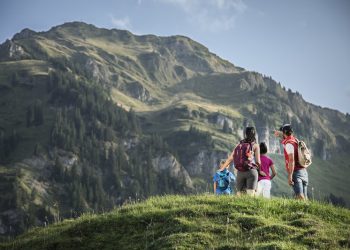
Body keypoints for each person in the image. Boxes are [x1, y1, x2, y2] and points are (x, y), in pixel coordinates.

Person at [219, 127, 261, 196]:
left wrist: (221, 169)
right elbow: (258, 162)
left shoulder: (239, 145)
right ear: (254, 134)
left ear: (245, 134)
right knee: (250, 195)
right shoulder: (256, 145)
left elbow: (230, 159)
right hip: (251, 172)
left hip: (240, 172)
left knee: (240, 195)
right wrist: (259, 172)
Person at [274, 124, 308, 200]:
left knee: (299, 196)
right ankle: (307, 211)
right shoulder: (295, 140)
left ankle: (302, 211)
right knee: (304, 197)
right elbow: (285, 135)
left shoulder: (289, 144)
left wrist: (290, 175)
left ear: (284, 132)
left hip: (296, 173)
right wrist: (279, 133)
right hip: (304, 171)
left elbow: (291, 160)